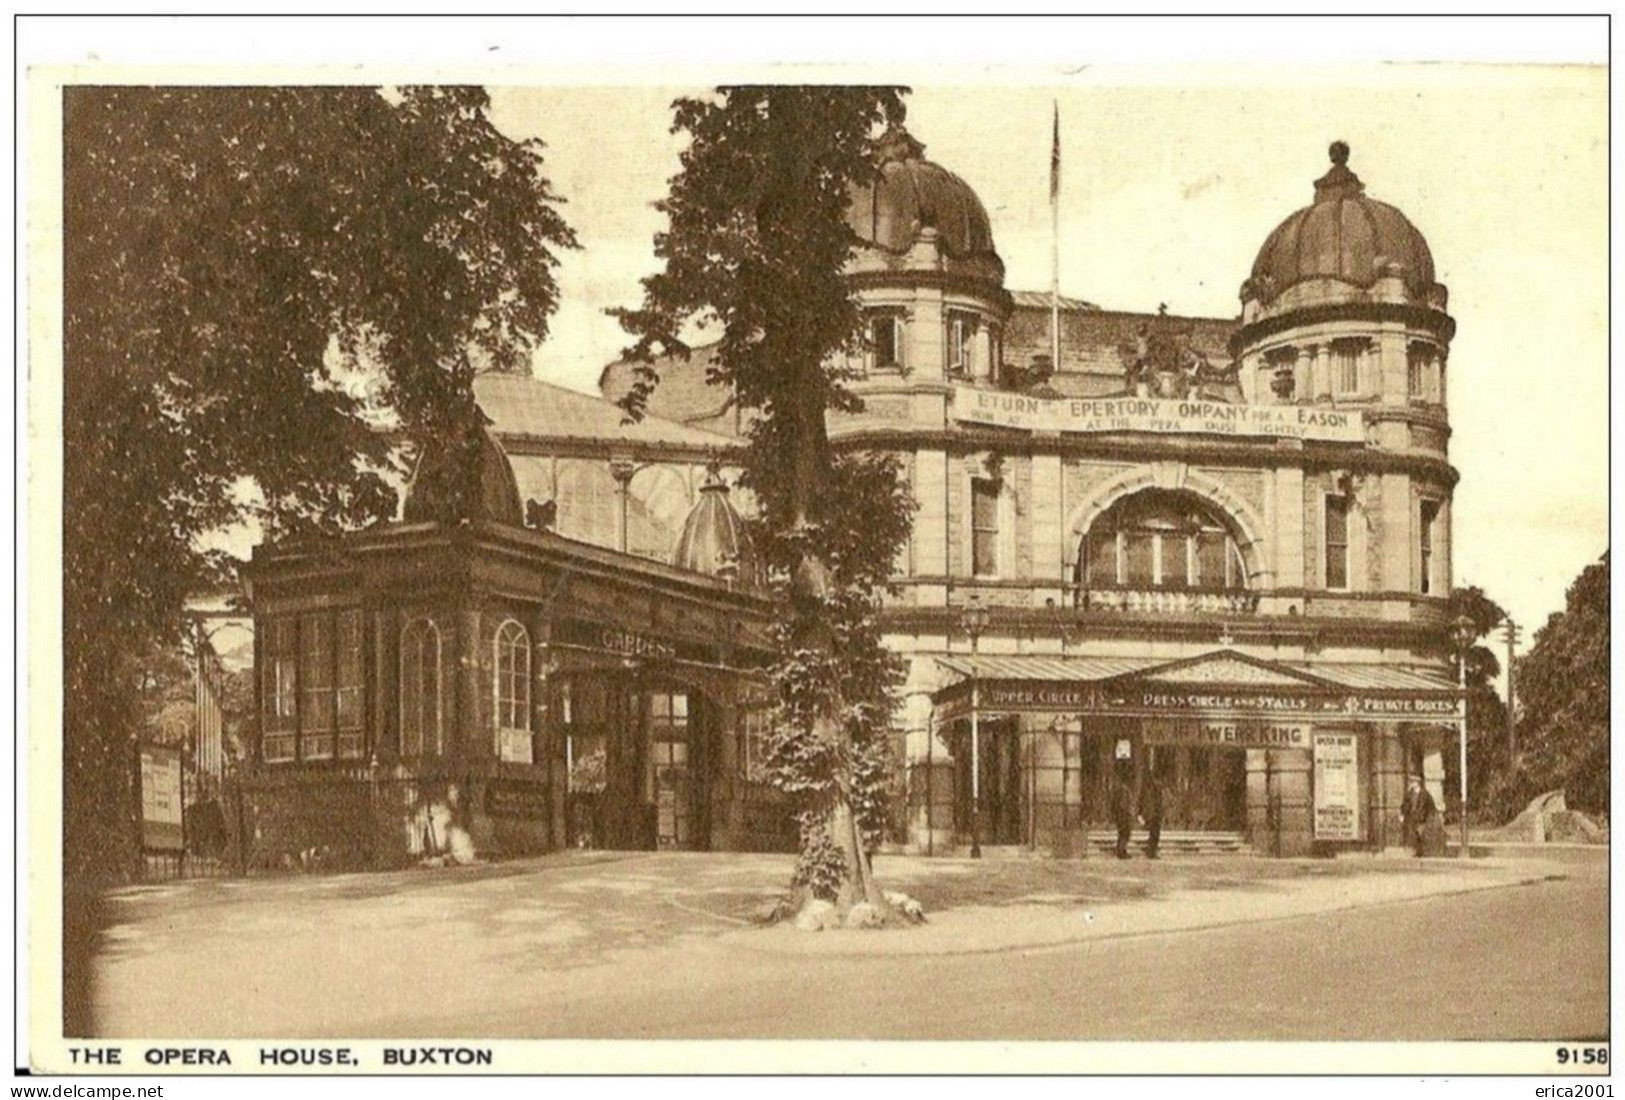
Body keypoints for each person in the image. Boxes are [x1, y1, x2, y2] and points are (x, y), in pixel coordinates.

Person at [1400, 775, 1437, 857]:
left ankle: (1423, 852)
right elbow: (1404, 805)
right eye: (1411, 782)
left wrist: (1429, 816)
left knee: (1421, 834)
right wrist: (1402, 814)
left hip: (1422, 818)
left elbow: (1431, 806)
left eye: (1413, 782)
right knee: (1415, 835)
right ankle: (1418, 852)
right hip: (1412, 817)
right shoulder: (1409, 794)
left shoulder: (1425, 794)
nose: (1411, 784)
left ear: (1417, 783)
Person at [1139, 770, 1164, 859]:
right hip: (1155, 814)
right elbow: (1158, 803)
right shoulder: (1156, 788)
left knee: (1153, 833)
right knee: (1155, 833)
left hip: (1152, 814)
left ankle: (1151, 851)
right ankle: (1152, 851)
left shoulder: (1147, 788)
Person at [1110, 770, 1135, 859]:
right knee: (1125, 833)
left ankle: (1122, 850)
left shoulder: (1119, 790)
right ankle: (1121, 852)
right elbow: (1123, 805)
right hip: (1123, 816)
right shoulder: (1124, 791)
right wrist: (1129, 814)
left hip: (1120, 816)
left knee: (1122, 834)